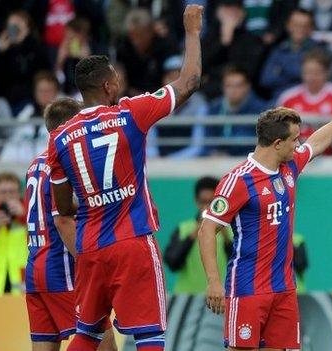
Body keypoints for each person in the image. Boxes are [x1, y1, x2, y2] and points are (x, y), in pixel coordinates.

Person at [48, 5, 203, 351]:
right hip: (131, 241)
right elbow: (189, 81)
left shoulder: (59, 137)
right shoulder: (131, 113)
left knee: (87, 334)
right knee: (149, 335)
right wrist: (192, 31)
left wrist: (94, 196)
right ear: (108, 84)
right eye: (116, 77)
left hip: (89, 246)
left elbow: (62, 207)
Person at [198, 104, 332, 350]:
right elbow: (207, 229)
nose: (298, 144)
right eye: (295, 139)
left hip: (283, 288)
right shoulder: (239, 180)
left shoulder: (289, 168)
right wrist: (213, 282)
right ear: (277, 143)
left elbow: (316, 143)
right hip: (247, 288)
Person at [25, 97, 116, 351]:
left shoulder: (35, 164)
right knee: (104, 345)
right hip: (61, 268)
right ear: (68, 127)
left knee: (45, 345)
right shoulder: (62, 164)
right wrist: (91, 267)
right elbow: (62, 220)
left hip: (35, 268)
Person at [163, 176, 231, 294]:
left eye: (211, 202)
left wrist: (225, 237)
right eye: (203, 202)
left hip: (220, 298)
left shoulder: (230, 230)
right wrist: (194, 235)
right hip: (187, 299)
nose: (207, 207)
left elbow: (240, 264)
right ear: (196, 201)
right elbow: (172, 263)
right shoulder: (184, 229)